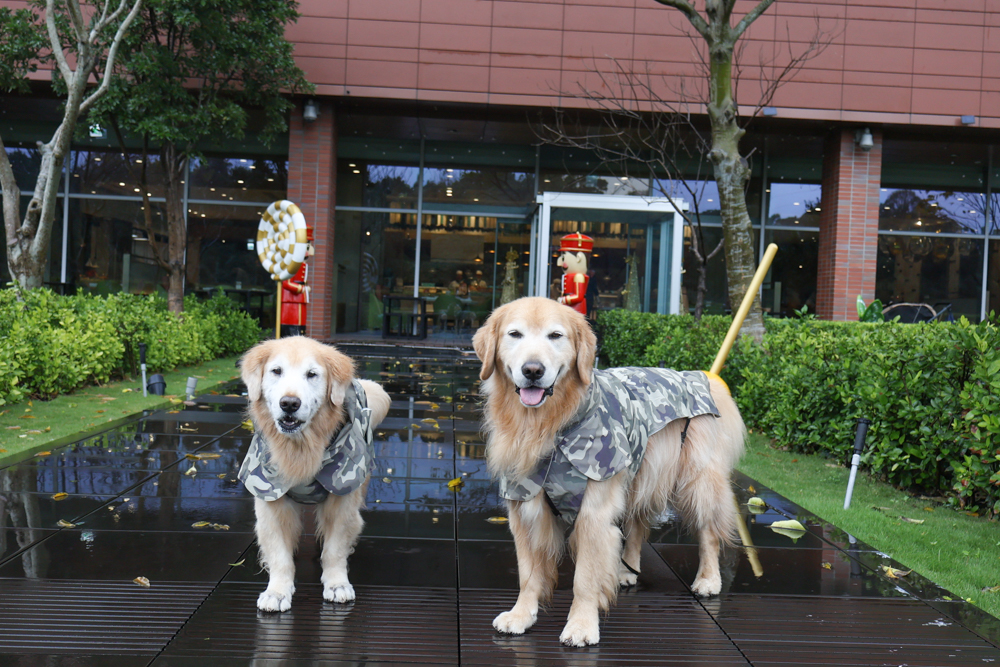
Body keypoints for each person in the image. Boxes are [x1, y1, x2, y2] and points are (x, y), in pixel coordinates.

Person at [280, 227, 314, 337]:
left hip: (299, 300)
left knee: (300, 327)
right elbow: (286, 283)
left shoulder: (300, 264)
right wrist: (302, 289)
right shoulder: (291, 263)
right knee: (293, 328)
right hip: (291, 301)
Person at [556, 233, 593, 316]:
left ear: (578, 258)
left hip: (576, 308)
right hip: (568, 308)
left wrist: (564, 300)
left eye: (563, 258)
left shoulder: (578, 277)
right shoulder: (571, 276)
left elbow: (579, 296)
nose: (559, 263)